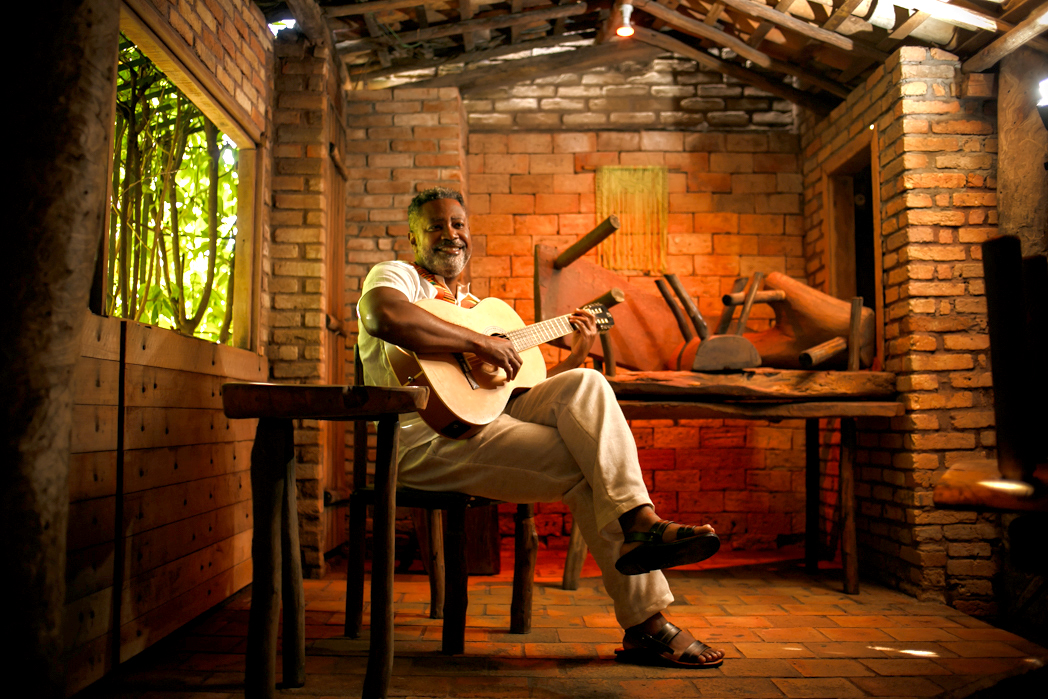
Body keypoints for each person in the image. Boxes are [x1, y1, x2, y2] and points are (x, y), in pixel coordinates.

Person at [356, 187, 726, 668]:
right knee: (588, 464)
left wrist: (573, 354)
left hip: (480, 423)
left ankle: (640, 521)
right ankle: (648, 624)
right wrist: (481, 344)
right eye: (436, 225)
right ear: (412, 236)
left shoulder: (480, 308)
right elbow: (382, 315)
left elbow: (506, 395)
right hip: (421, 439)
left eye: (459, 224)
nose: (451, 233)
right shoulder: (397, 277)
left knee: (586, 384)